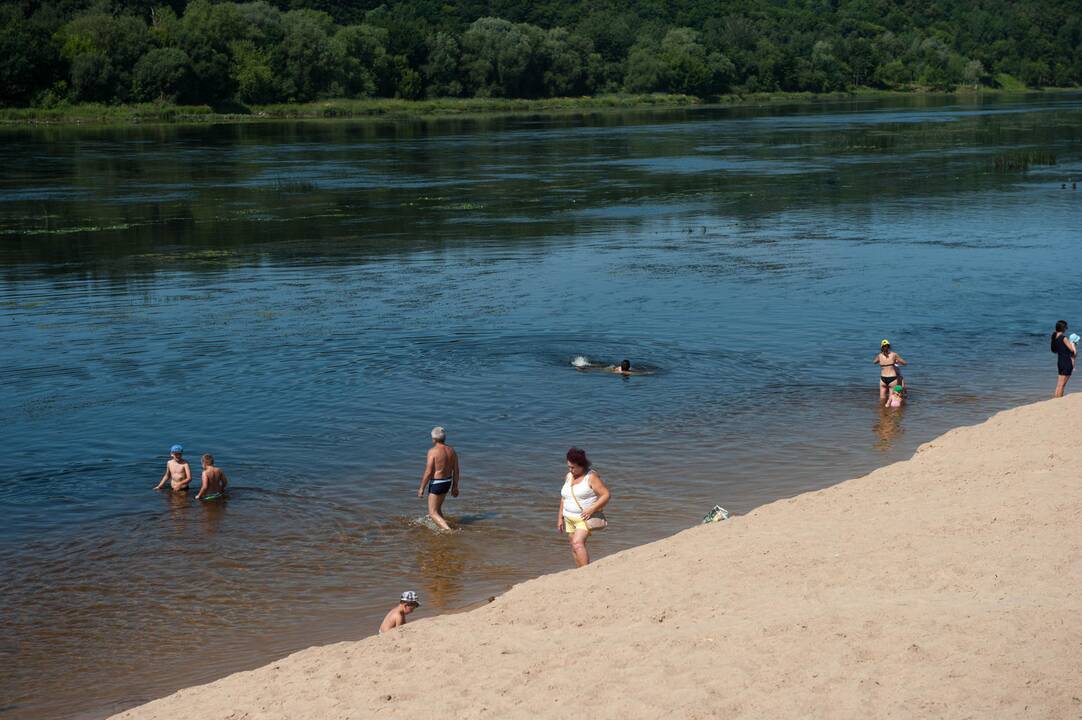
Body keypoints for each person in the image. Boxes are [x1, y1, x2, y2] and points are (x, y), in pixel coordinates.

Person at [557, 447, 611, 568]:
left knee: (577, 543)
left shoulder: (591, 477)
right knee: (573, 546)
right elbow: (564, 498)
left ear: (582, 465)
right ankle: (579, 571)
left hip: (584, 518)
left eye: (573, 467)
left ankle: (586, 571)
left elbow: (606, 494)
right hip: (568, 518)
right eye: (568, 467)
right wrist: (560, 517)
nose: (570, 470)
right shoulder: (569, 476)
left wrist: (592, 509)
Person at [418, 426, 459, 531]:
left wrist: (422, 488)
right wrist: (455, 486)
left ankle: (448, 531)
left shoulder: (432, 451)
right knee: (438, 509)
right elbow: (456, 470)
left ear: (433, 439)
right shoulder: (452, 450)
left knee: (432, 513)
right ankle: (444, 527)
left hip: (437, 483)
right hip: (447, 482)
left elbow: (428, 472)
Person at [1051, 320, 1076, 398]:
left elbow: (1055, 350)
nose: (1066, 329)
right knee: (1062, 385)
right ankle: (1059, 400)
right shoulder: (1063, 338)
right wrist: (1073, 343)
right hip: (1066, 362)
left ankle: (1055, 400)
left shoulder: (1055, 337)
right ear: (1063, 328)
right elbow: (1072, 350)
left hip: (1060, 362)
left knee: (1059, 384)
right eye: (1066, 327)